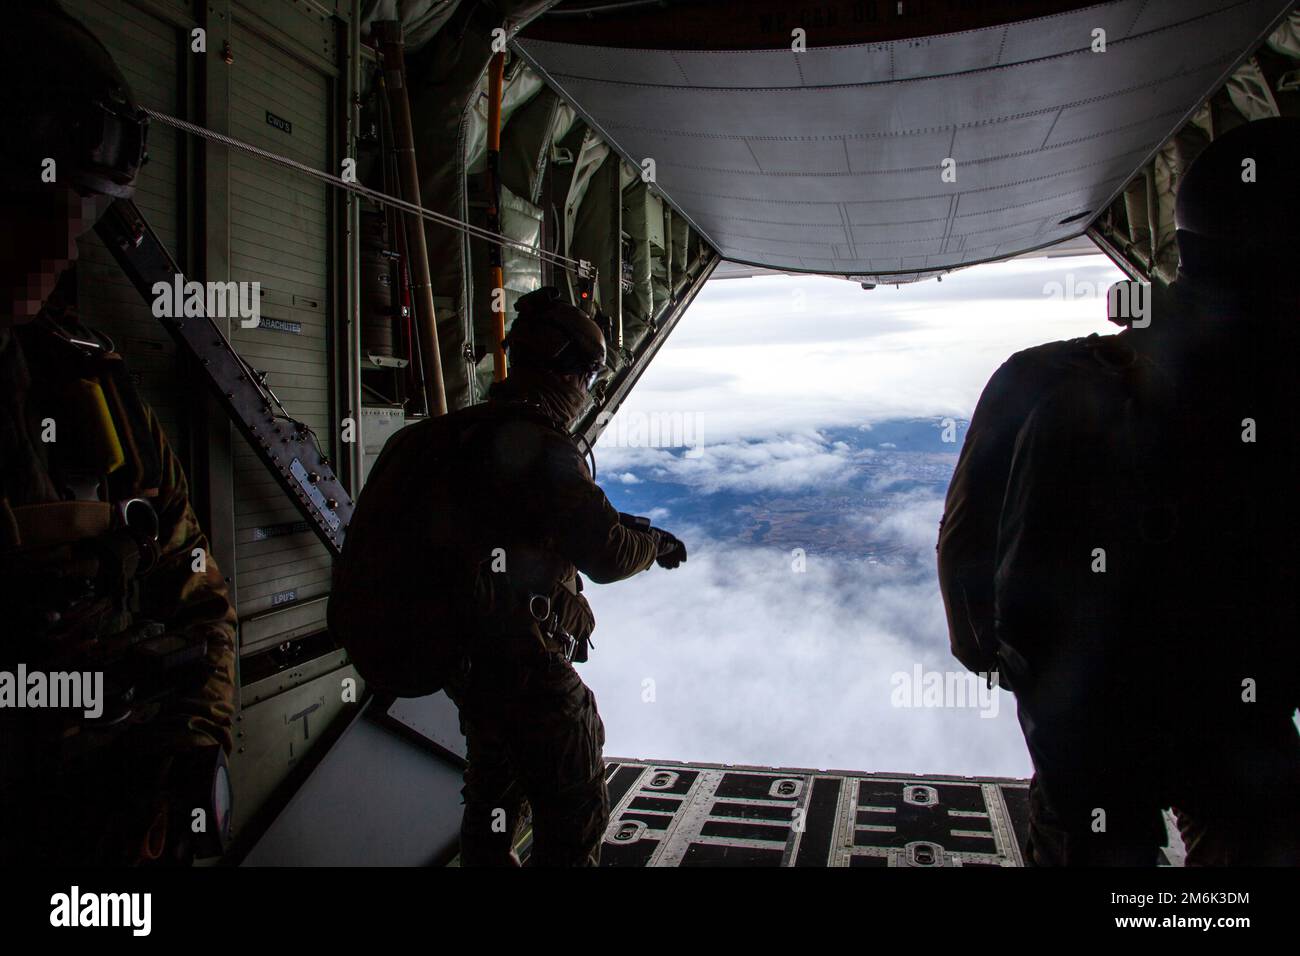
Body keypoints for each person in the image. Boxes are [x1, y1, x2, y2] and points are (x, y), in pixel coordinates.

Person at [938, 117, 1300, 866]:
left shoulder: (1038, 380)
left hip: (1084, 733)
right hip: (1243, 728)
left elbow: (964, 552)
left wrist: (998, 659)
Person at [331, 286, 686, 866]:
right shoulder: (543, 446)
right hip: (523, 666)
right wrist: (654, 545)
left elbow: (500, 516)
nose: (587, 393)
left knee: (493, 810)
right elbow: (607, 556)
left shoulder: (437, 439)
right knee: (574, 812)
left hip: (468, 669)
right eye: (591, 378)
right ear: (567, 371)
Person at [0, 1, 238, 865]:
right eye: (41, 194)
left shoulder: (83, 382)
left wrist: (196, 751)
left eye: (86, 206)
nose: (67, 235)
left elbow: (202, 594)